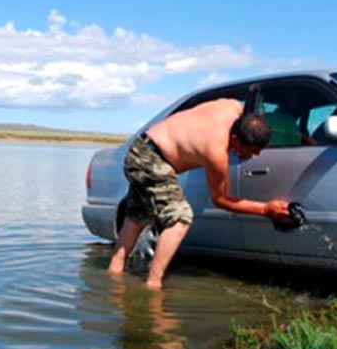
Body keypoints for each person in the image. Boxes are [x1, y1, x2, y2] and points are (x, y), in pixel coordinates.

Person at [107, 98, 291, 289]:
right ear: (235, 139)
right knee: (180, 219)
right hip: (152, 159)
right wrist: (266, 209)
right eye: (251, 151)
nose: (255, 156)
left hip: (140, 149)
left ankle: (114, 277)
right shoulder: (216, 152)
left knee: (137, 216)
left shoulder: (232, 106)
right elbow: (221, 199)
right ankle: (153, 285)